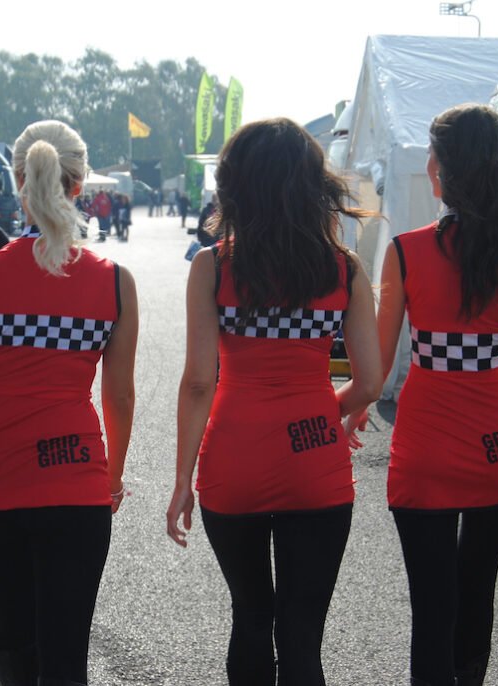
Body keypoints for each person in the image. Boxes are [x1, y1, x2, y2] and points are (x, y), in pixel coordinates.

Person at [346, 104, 498, 686]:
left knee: (433, 608)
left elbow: (374, 374)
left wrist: (344, 409)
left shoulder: (405, 251)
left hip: (425, 446)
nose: (427, 163)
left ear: (446, 169)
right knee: (477, 591)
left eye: (433, 152)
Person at [167, 118, 383, 686]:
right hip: (316, 459)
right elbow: (370, 384)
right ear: (311, 184)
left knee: (250, 617)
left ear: (235, 184)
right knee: (303, 634)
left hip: (233, 458)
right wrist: (327, 413)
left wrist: (181, 481)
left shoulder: (212, 266)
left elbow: (197, 383)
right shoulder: (344, 269)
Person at [0, 120, 138, 686]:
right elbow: (117, 394)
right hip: (75, 477)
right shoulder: (114, 281)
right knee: (67, 655)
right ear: (81, 182)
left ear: (19, 180)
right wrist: (111, 477)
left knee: (17, 634)